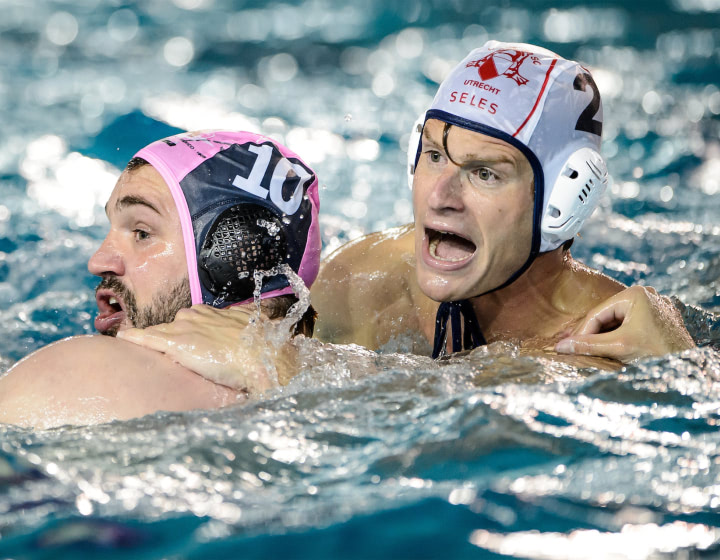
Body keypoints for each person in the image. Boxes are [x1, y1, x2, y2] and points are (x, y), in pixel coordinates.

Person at [116, 40, 694, 386]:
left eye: (484, 172)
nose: (440, 195)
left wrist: (687, 369)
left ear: (563, 199)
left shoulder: (616, 344)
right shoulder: (368, 277)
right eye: (434, 156)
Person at [0, 130, 321, 429]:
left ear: (234, 258)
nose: (98, 262)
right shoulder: (332, 381)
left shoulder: (78, 373)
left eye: (141, 232)